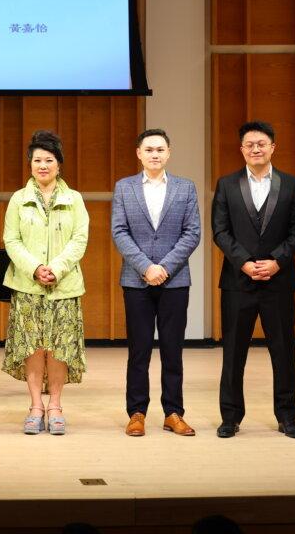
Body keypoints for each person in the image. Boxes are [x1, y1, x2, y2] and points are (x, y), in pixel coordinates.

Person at [211, 121, 295, 439]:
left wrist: (278, 262)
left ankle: (287, 416)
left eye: (262, 143)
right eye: (250, 144)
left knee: (283, 352)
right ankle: (230, 417)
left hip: (278, 282)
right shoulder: (226, 184)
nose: (256, 148)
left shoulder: (292, 185)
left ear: (272, 147)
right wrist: (245, 263)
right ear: (241, 149)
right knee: (233, 353)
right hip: (238, 282)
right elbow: (220, 232)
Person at [111, 128, 201, 437]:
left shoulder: (185, 188)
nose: (154, 154)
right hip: (136, 282)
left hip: (175, 281)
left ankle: (173, 412)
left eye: (160, 149)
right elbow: (119, 232)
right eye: (149, 149)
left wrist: (164, 267)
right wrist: (146, 267)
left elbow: (192, 233)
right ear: (139, 153)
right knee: (139, 350)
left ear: (168, 153)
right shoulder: (124, 188)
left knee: (173, 350)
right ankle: (137, 412)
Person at [2, 130, 89, 435]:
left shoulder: (74, 199)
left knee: (59, 348)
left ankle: (56, 407)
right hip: (28, 285)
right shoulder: (18, 199)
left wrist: (56, 268)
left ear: (59, 164)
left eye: (48, 160)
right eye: (37, 160)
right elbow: (11, 240)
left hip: (64, 287)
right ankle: (36, 405)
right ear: (30, 164)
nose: (42, 165)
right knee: (33, 348)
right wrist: (35, 268)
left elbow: (80, 240)